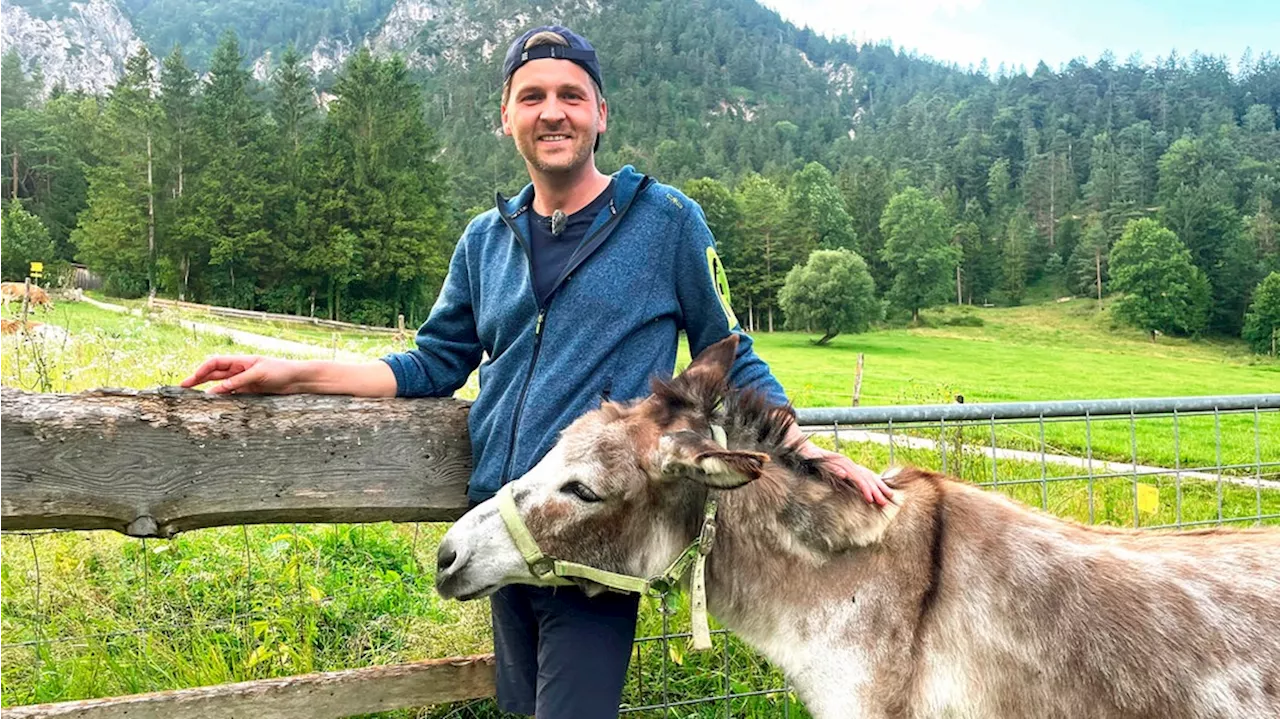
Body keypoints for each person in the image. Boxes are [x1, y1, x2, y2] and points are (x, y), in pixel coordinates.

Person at [181, 24, 893, 718]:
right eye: (532, 96)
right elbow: (431, 363)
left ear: (600, 114)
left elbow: (732, 348)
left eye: (571, 95)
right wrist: (288, 372)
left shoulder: (667, 221)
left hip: (594, 532)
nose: (552, 111)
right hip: (507, 525)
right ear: (505, 117)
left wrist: (805, 450)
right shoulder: (484, 240)